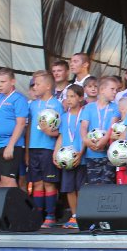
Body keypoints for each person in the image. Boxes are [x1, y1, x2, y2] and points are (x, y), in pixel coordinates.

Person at [26, 70, 63, 228]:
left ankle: (50, 215)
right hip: (33, 148)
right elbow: (29, 128)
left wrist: (50, 133)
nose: (34, 87)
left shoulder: (57, 104)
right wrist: (27, 150)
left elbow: (62, 130)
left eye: (38, 84)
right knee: (37, 183)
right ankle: (38, 215)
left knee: (49, 182)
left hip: (48, 148)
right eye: (34, 84)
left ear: (48, 86)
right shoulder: (33, 105)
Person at [0, 68, 29, 188]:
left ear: (12, 82)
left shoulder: (18, 99)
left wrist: (10, 146)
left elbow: (21, 124)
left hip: (9, 144)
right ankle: (5, 202)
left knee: (8, 180)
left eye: (3, 82)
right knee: (0, 181)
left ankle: (16, 201)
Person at [53, 84, 85, 229]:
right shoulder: (64, 117)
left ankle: (83, 215)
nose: (69, 99)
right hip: (66, 159)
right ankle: (74, 215)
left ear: (81, 98)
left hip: (80, 158)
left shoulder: (84, 115)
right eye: (67, 97)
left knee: (81, 188)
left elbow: (86, 136)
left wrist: (81, 153)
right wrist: (55, 153)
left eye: (73, 96)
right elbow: (61, 136)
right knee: (69, 188)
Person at [79, 76, 121, 185]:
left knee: (107, 185)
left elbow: (113, 126)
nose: (115, 92)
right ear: (102, 90)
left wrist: (105, 140)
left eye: (116, 90)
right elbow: (83, 127)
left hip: (109, 154)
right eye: (112, 89)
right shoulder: (89, 107)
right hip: (91, 154)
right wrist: (86, 140)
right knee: (93, 186)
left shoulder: (116, 107)